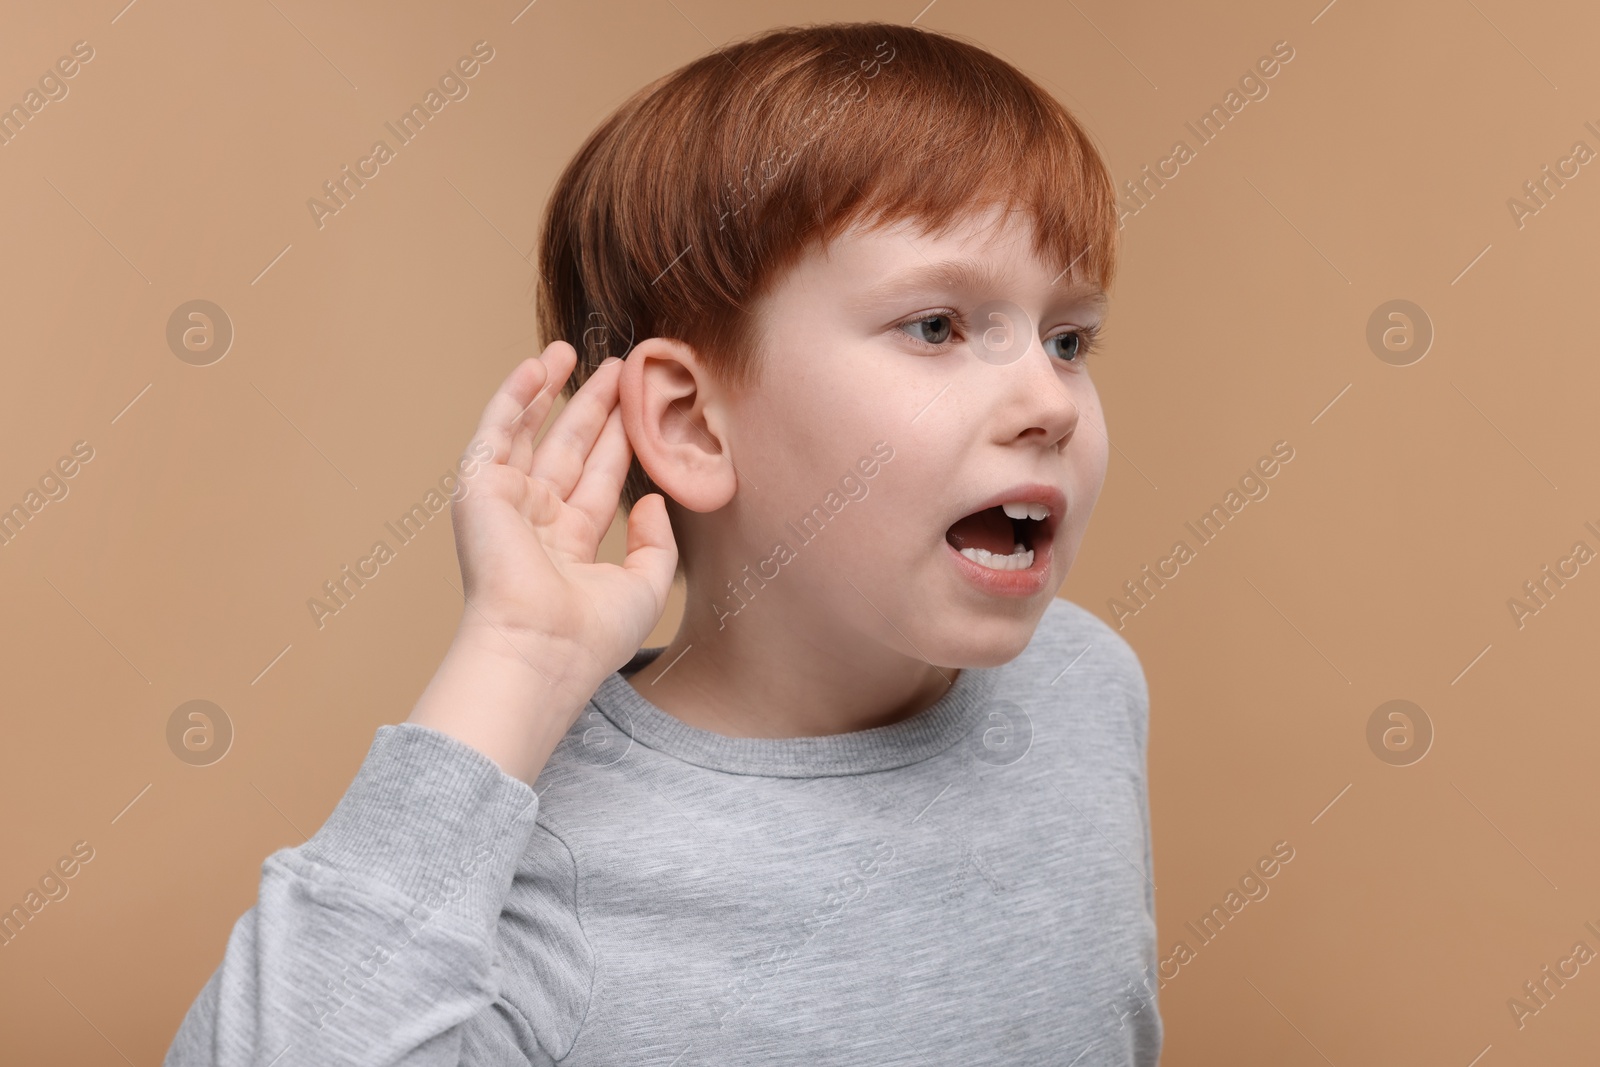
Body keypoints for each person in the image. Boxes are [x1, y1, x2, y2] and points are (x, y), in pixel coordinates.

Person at [166, 20, 1160, 1065]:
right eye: (937, 327)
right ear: (691, 424)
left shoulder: (1085, 690)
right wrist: (513, 662)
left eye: (1068, 338)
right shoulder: (544, 856)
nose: (1048, 399)